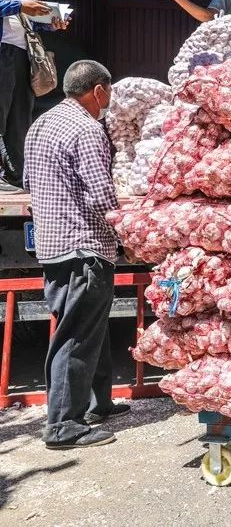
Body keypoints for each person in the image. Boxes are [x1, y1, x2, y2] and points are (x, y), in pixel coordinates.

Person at [24, 60, 129, 450]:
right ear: (99, 91)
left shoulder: (41, 124)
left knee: (89, 328)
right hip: (84, 246)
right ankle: (63, 427)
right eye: (109, 93)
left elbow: (29, 182)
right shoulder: (88, 129)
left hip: (53, 247)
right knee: (76, 337)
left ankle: (99, 404)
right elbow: (102, 194)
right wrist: (127, 237)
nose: (108, 101)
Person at [0, 0, 69, 192]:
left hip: (23, 50)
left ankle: (16, 177)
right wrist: (19, 6)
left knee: (19, 114)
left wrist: (51, 21)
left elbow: (31, 14)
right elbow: (19, 7)